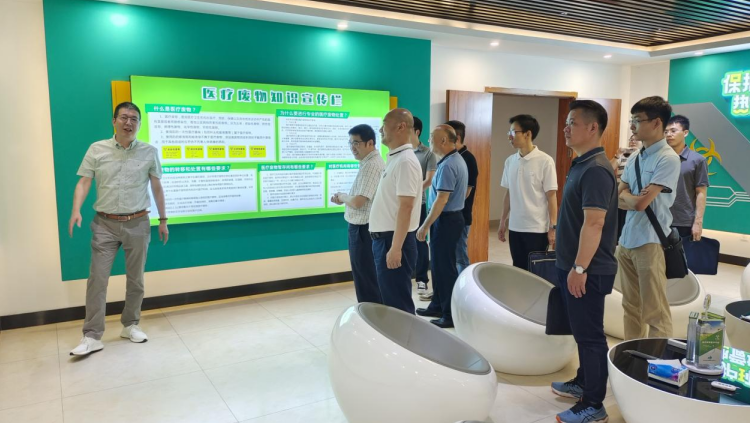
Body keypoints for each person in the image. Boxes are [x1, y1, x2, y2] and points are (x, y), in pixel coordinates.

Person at [68, 102, 168, 356]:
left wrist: (163, 219)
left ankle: (130, 325)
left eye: (134, 119)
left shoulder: (149, 151)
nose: (128, 123)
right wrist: (76, 209)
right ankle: (92, 335)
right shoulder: (97, 149)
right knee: (97, 280)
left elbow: (157, 187)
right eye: (124, 117)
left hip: (138, 223)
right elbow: (84, 182)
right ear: (114, 121)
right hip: (105, 224)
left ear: (139, 124)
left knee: (136, 279)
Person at [549, 100, 618, 423]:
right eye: (566, 122)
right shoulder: (581, 163)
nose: (566, 128)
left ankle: (594, 403)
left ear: (592, 128)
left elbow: (595, 223)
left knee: (590, 336)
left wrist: (579, 268)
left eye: (572, 123)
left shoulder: (596, 170)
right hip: (572, 265)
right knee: (580, 331)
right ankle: (583, 382)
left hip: (588, 270)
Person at [617, 96, 681, 340]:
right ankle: (632, 353)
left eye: (637, 120)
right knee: (630, 307)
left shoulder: (667, 158)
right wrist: (631, 198)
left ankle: (658, 358)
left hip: (650, 241)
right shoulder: (635, 157)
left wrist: (630, 198)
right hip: (626, 240)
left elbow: (641, 203)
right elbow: (617, 196)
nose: (632, 126)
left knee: (655, 311)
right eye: (632, 120)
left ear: (656, 123)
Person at [369, 108, 423, 314]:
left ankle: (407, 335)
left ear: (400, 126)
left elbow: (406, 207)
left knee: (398, 305)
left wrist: (395, 248)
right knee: (391, 300)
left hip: (393, 240)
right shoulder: (396, 158)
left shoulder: (405, 161)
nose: (380, 129)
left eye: (384, 124)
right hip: (386, 239)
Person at [415, 124, 468, 328]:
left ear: (444, 140)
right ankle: (437, 305)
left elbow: (441, 200)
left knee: (445, 269)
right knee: (437, 266)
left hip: (447, 220)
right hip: (448, 219)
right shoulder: (451, 160)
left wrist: (425, 225)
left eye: (431, 137)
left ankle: (449, 314)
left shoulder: (448, 165)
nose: (429, 141)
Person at [332, 124, 386, 304]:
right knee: (366, 276)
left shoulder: (371, 165)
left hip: (363, 230)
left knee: (365, 278)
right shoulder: (369, 163)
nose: (352, 147)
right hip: (364, 228)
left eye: (356, 143)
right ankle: (372, 312)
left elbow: (358, 202)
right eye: (350, 143)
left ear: (370, 143)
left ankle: (371, 314)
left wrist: (342, 197)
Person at [498, 114, 558, 271]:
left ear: (528, 134)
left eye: (513, 132)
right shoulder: (510, 161)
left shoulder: (545, 161)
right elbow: (509, 194)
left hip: (537, 228)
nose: (509, 137)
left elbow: (551, 197)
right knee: (518, 269)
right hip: (515, 227)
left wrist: (553, 227)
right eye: (509, 133)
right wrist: (502, 221)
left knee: (535, 272)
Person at [665, 115, 709, 241]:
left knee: (683, 254)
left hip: (683, 221)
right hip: (659, 219)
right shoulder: (660, 158)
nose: (669, 135)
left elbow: (701, 192)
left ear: (685, 133)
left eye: (673, 131)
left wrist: (698, 222)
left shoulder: (697, 160)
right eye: (666, 132)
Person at [445, 120, 478, 275]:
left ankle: (464, 285)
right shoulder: (450, 157)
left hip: (461, 216)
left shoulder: (468, 159)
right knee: (450, 255)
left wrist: (444, 202)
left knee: (460, 256)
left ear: (456, 138)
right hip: (449, 217)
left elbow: (465, 193)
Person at [411, 116, 437, 300]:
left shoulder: (428, 154)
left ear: (416, 131)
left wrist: (409, 193)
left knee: (419, 240)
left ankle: (422, 279)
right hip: (399, 205)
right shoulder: (398, 151)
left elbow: (429, 181)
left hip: (418, 204)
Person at [610, 135, 642, 239]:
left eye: (636, 139)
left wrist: (638, 152)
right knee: (618, 229)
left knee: (631, 230)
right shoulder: (624, 155)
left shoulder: (644, 156)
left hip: (634, 198)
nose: (633, 141)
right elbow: (609, 169)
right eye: (631, 139)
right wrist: (618, 155)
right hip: (619, 198)